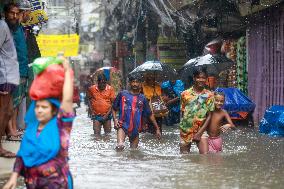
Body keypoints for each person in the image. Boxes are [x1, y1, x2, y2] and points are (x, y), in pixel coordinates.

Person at [3, 57, 75, 189]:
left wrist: (67, 71)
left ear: (53, 110)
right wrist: (13, 177)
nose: (39, 110)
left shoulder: (61, 126)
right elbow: (22, 155)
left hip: (57, 184)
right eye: (37, 107)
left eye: (44, 107)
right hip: (33, 184)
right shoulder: (31, 129)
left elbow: (67, 99)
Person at [112, 74, 161, 151]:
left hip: (135, 128)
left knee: (134, 152)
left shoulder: (143, 98)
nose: (135, 84)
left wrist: (157, 128)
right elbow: (114, 108)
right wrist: (115, 120)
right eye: (133, 82)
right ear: (129, 83)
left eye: (137, 82)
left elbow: (150, 114)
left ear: (140, 84)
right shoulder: (122, 94)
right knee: (120, 146)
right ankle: (118, 162)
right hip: (123, 125)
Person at [4, 2, 30, 140]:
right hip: (14, 70)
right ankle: (10, 131)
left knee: (17, 102)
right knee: (12, 103)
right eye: (27, 13)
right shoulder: (10, 28)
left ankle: (13, 129)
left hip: (22, 69)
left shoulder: (19, 28)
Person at [179, 67, 214, 154]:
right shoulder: (185, 94)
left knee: (204, 156)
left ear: (206, 79)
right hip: (186, 130)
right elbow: (183, 112)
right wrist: (183, 128)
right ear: (194, 78)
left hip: (201, 130)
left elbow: (209, 116)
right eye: (198, 77)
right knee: (185, 158)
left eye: (203, 78)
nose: (201, 80)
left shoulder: (209, 95)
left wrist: (200, 132)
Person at [0, 15, 20, 158]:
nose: (15, 16)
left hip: (10, 76)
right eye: (12, 13)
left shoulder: (7, 27)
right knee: (3, 113)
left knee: (7, 112)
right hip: (4, 76)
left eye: (17, 13)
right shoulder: (2, 26)